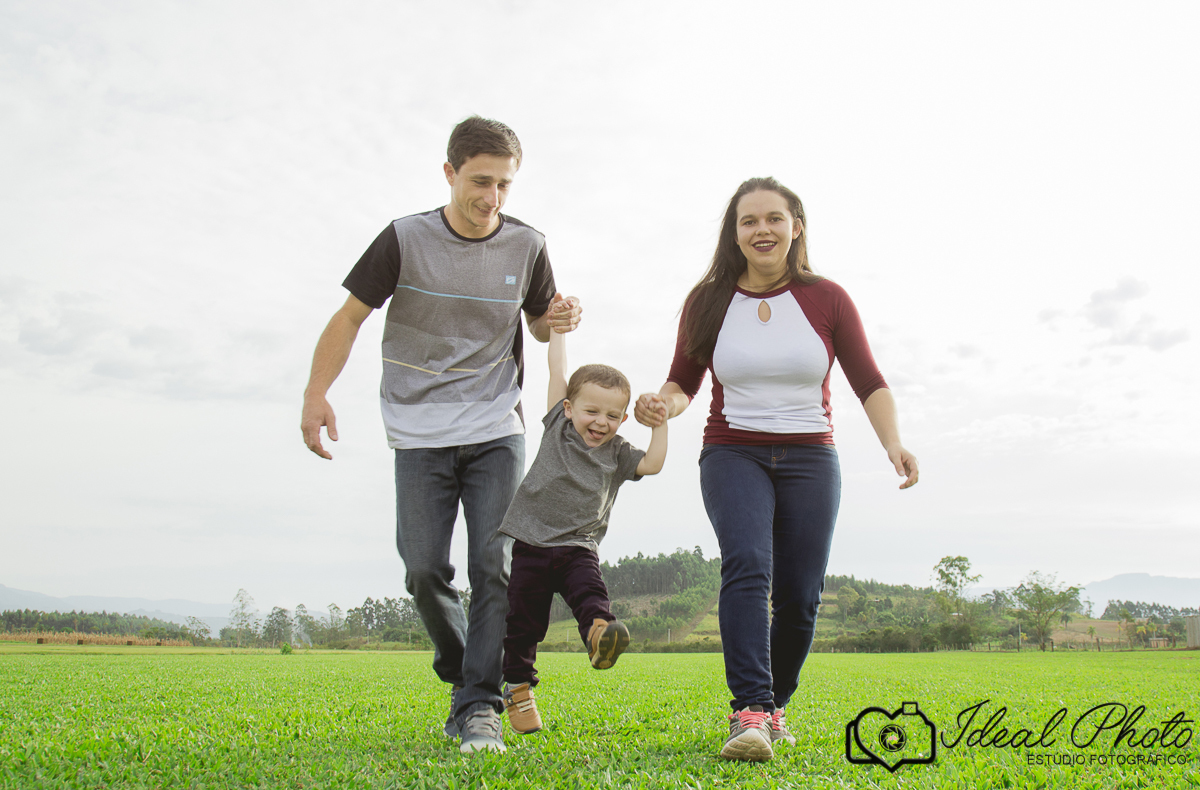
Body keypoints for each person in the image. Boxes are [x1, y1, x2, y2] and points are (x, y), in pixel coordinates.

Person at [300, 116, 582, 754]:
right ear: (450, 173)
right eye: (481, 181)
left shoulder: (529, 246)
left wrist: (556, 318)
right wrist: (317, 395)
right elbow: (348, 318)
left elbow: (539, 327)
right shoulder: (404, 239)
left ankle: (479, 706)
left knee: (495, 565)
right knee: (424, 570)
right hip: (417, 427)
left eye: (505, 185)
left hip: (493, 424)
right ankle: (467, 680)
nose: (493, 198)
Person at [635, 177, 918, 763]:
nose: (761, 229)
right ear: (734, 233)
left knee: (801, 594)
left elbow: (868, 380)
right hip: (732, 450)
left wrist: (894, 443)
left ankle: (776, 704)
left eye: (773, 218)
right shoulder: (708, 300)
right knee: (747, 566)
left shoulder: (827, 298)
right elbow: (683, 381)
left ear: (796, 227)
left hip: (812, 456)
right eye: (748, 221)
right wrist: (663, 403)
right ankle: (750, 712)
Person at [496, 314, 668, 735]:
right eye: (591, 411)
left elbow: (653, 464)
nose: (600, 422)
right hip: (532, 544)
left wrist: (661, 425)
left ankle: (599, 636)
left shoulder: (619, 451)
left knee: (592, 596)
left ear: (623, 420)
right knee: (523, 623)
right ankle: (518, 689)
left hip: (578, 546)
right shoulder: (557, 425)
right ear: (570, 408)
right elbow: (557, 368)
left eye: (612, 415)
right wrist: (557, 329)